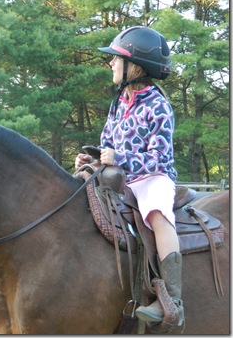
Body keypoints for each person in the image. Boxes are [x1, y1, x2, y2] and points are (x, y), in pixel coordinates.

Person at [74, 26, 183, 326]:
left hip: (152, 177)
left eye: (116, 59)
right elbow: (108, 142)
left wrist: (121, 158)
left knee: (158, 216)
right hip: (118, 176)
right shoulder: (118, 102)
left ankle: (173, 302)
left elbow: (160, 157)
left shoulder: (158, 105)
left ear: (135, 66)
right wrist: (93, 157)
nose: (111, 63)